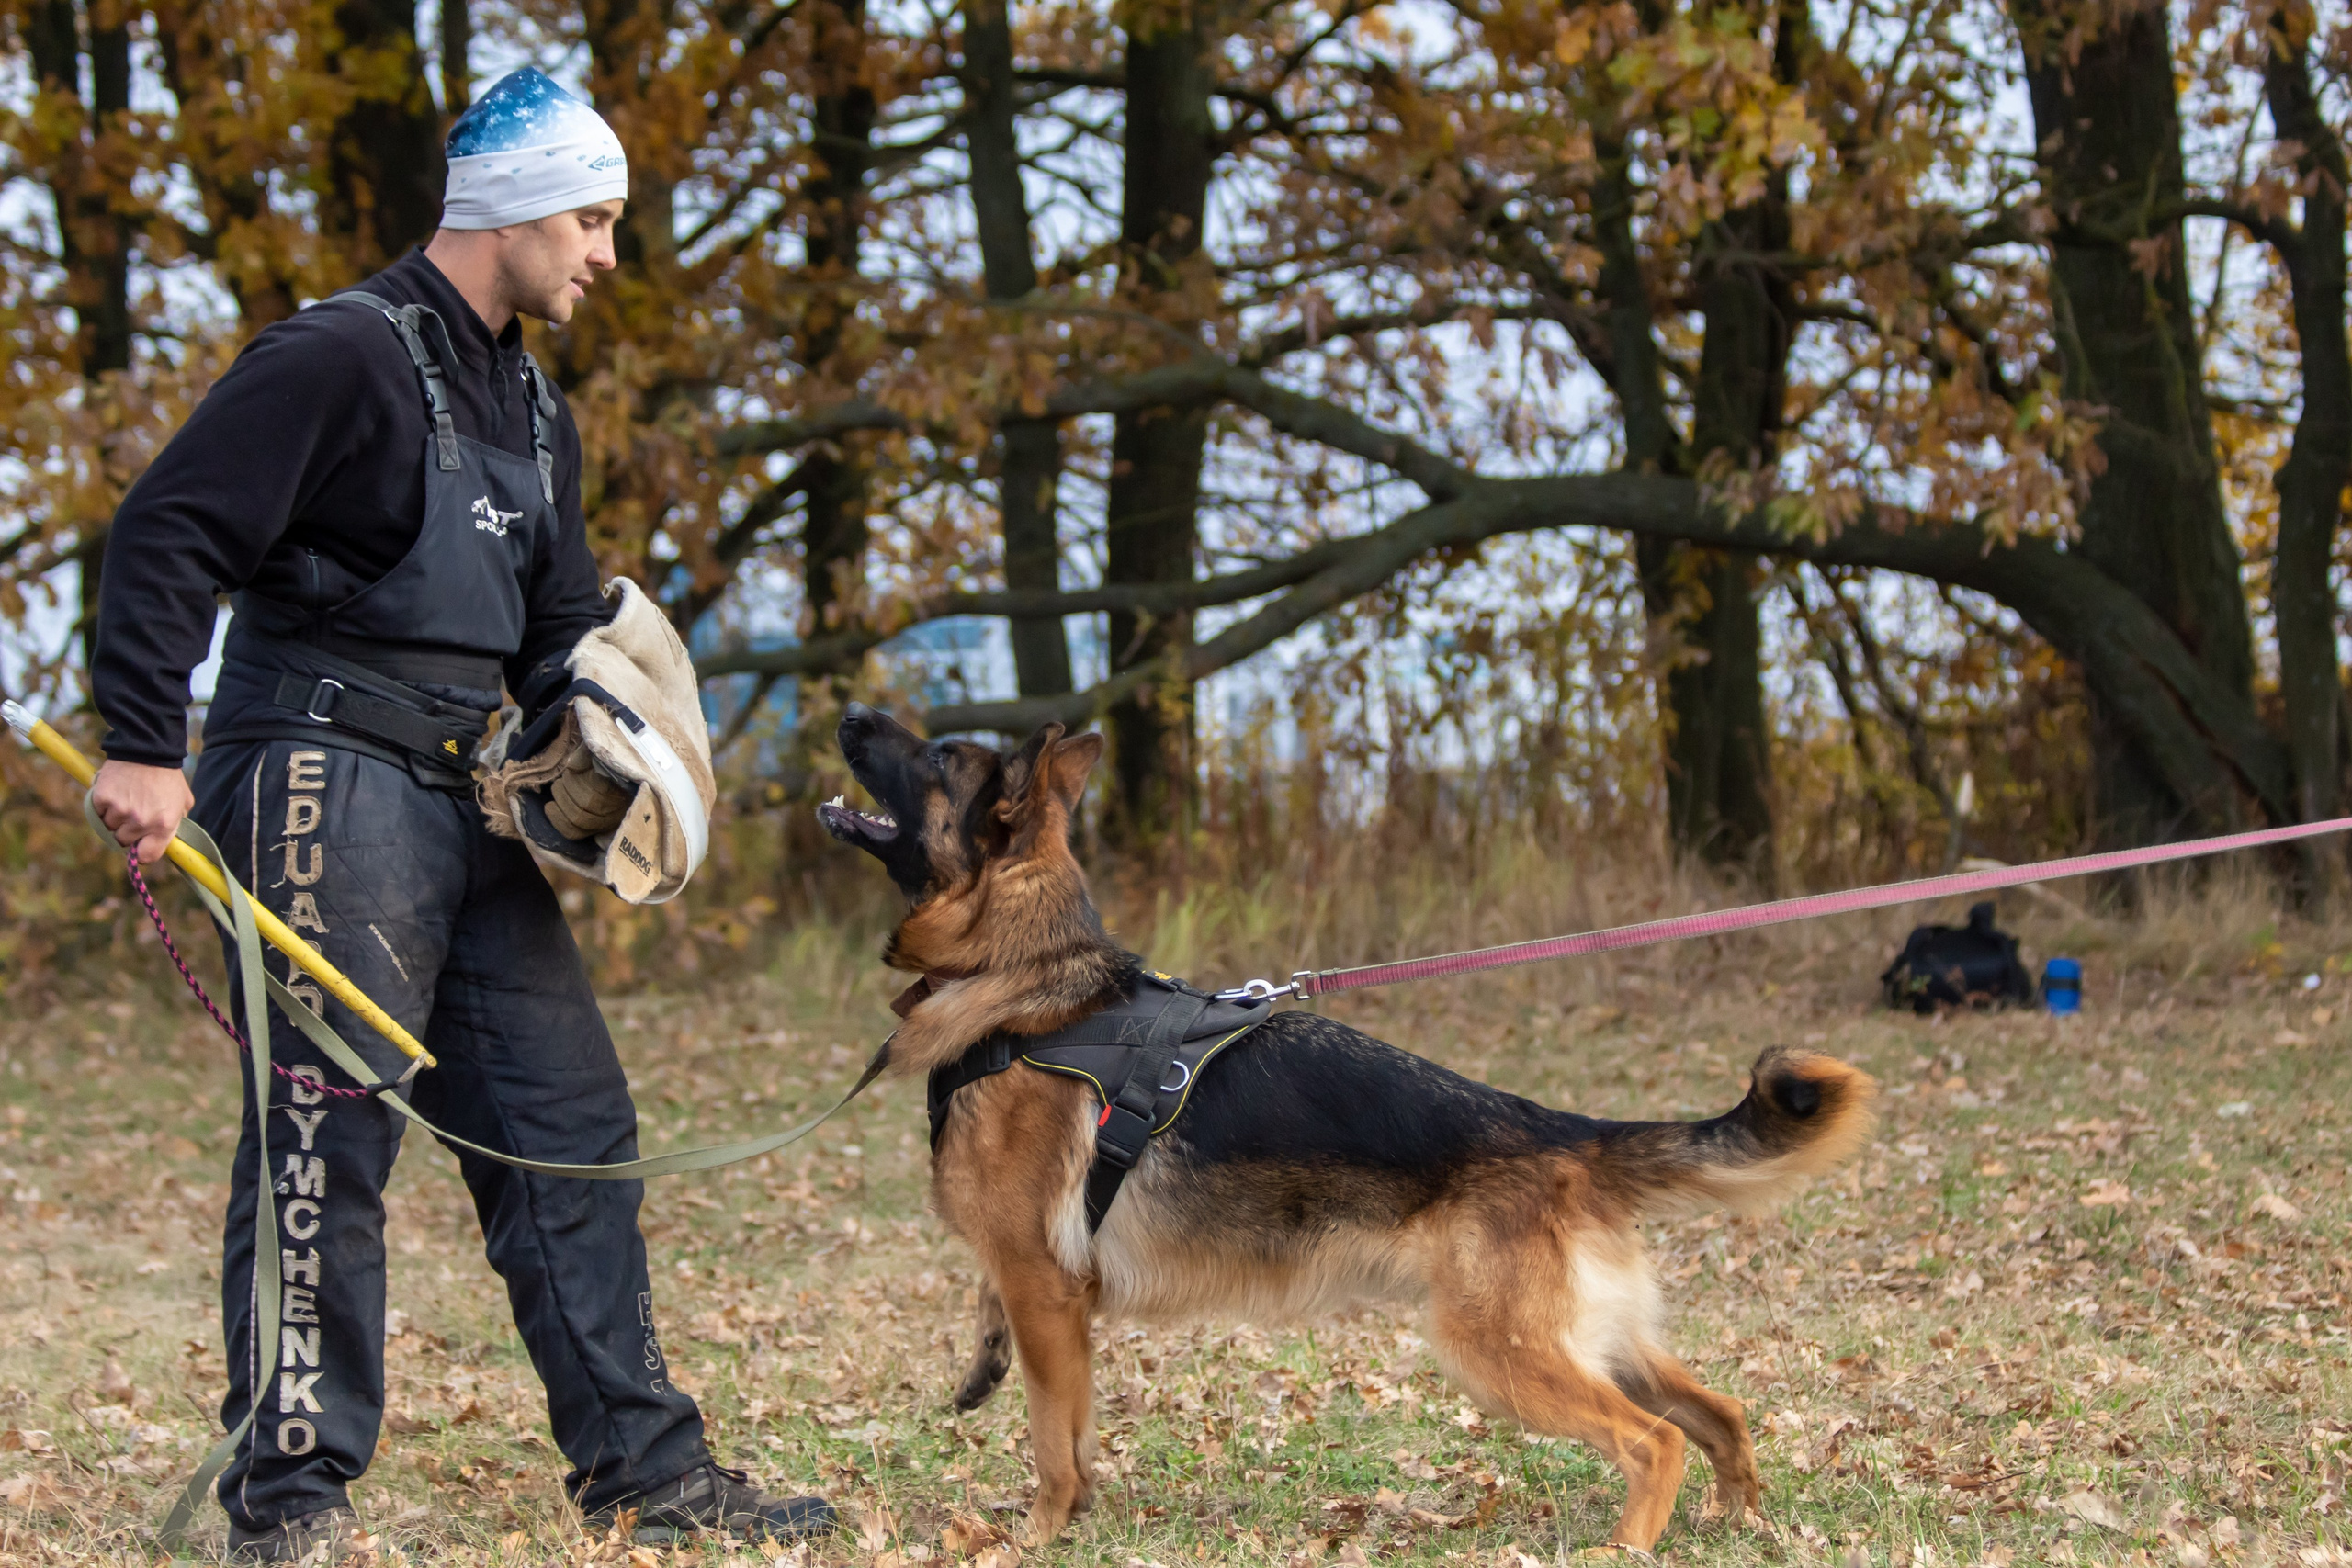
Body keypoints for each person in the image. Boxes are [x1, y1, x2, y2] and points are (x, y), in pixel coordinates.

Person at [87, 68, 834, 1562]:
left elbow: (549, 635)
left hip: (461, 792)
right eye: (591, 219)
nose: (607, 253)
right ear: (512, 210)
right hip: (316, 770)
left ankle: (647, 1476)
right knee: (327, 1133)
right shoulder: (336, 358)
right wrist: (142, 746)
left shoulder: (535, 410)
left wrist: (611, 740)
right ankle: (289, 1503)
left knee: (570, 1122)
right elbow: (168, 532)